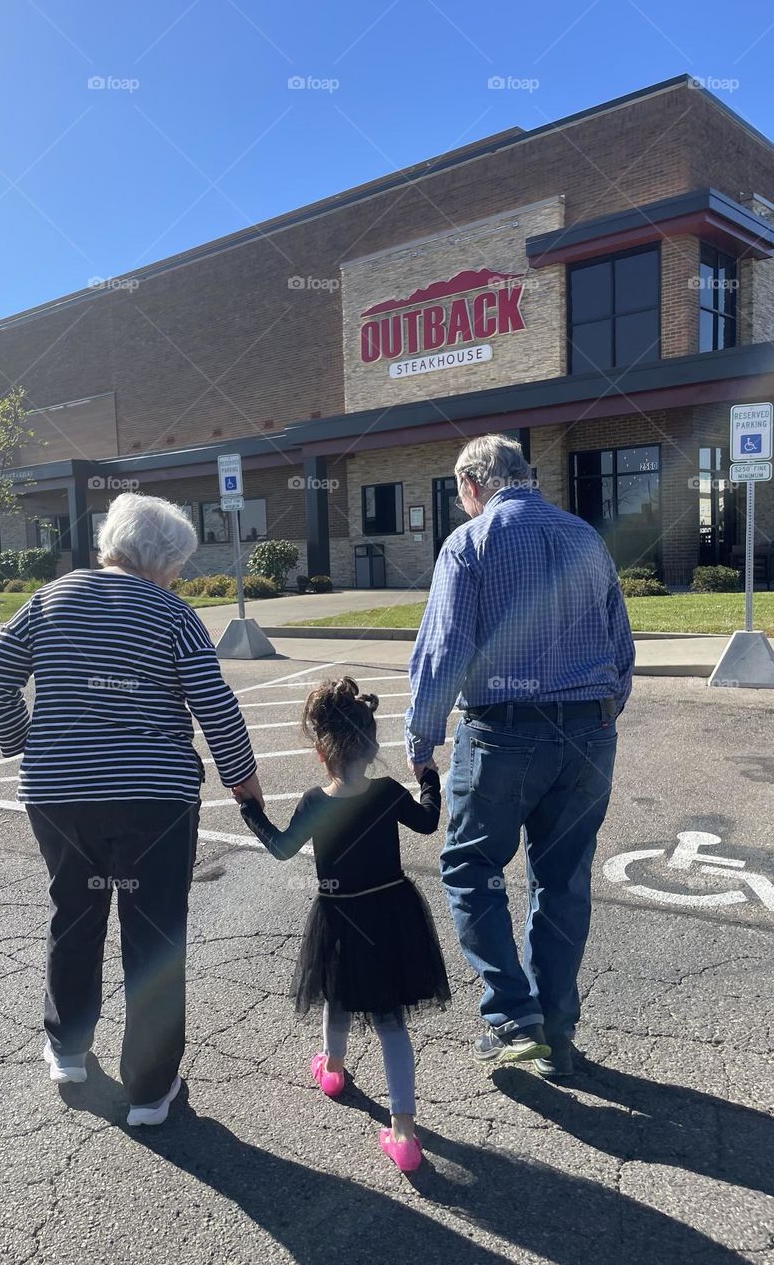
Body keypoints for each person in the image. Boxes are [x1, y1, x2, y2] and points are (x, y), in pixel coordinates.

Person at [0, 492, 262, 1125]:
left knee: (74, 912)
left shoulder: (52, 598)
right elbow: (215, 705)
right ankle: (149, 1090)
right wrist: (244, 782)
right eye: (178, 563)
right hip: (152, 797)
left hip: (59, 795)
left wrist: (25, 742)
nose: (179, 575)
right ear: (161, 559)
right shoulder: (172, 612)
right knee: (154, 934)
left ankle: (68, 1049)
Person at [406, 434, 634, 1078]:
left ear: (474, 484)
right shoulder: (585, 538)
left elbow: (444, 650)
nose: (461, 505)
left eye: (459, 493)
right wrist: (606, 708)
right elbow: (621, 641)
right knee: (562, 879)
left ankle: (512, 1014)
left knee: (471, 867)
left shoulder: (471, 544)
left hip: (504, 730)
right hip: (589, 730)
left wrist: (422, 741)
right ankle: (556, 1020)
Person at [237, 677, 450, 1172]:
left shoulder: (315, 802)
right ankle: (404, 1133)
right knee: (390, 1020)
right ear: (372, 746)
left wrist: (251, 811)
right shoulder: (385, 793)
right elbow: (427, 821)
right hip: (392, 912)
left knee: (338, 991)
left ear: (320, 752)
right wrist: (428, 776)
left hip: (340, 915)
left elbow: (283, 847)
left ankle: (332, 1069)